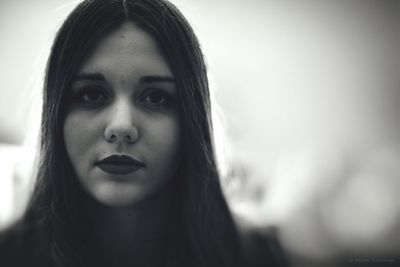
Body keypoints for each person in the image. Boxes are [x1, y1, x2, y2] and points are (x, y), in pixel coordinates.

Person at [0, 0, 288, 266]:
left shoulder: (258, 256)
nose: (121, 126)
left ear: (192, 118)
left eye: (156, 98)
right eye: (91, 95)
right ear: (56, 114)